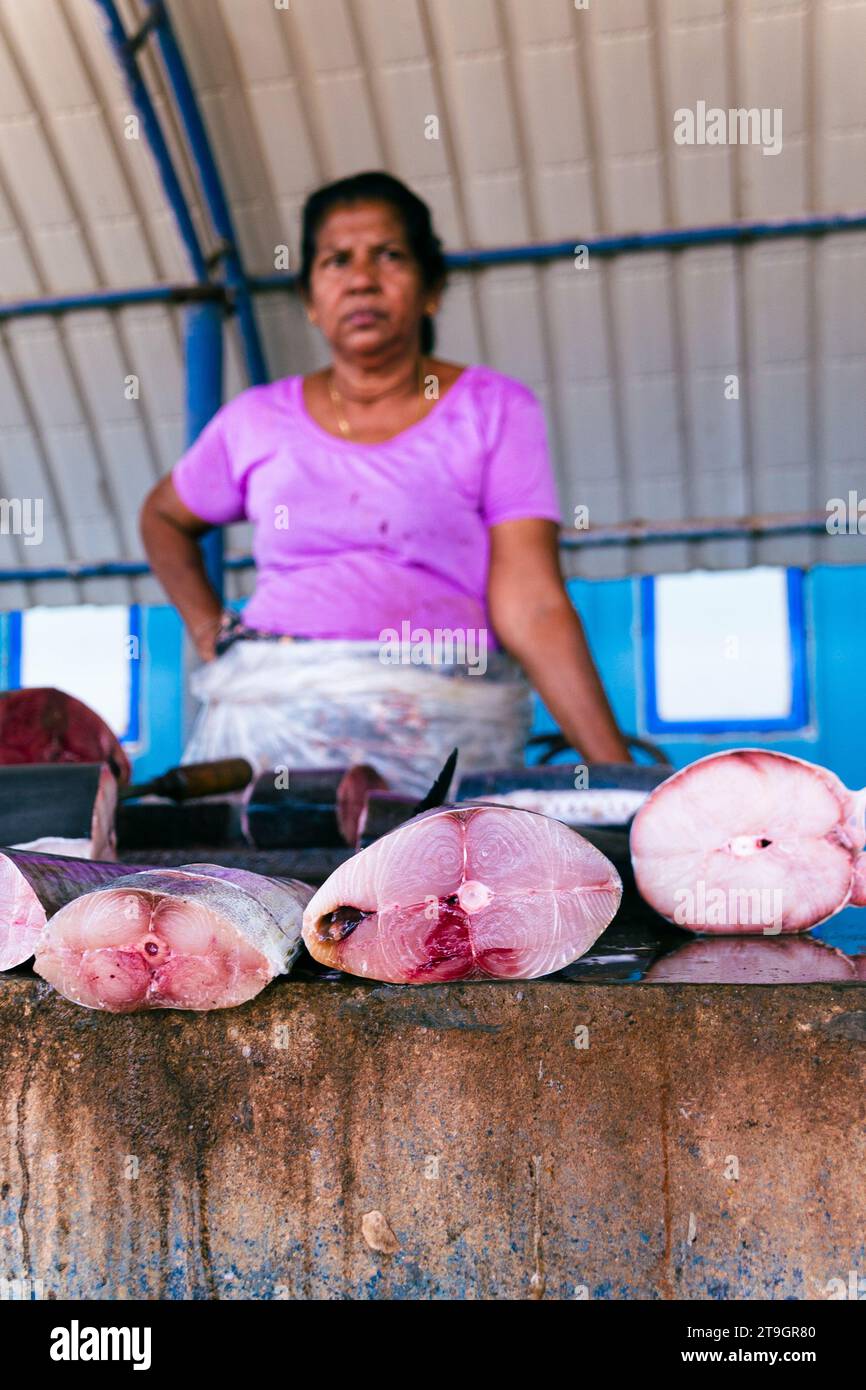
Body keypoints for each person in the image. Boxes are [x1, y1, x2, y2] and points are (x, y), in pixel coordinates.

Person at [140, 171, 631, 795]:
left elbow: (532, 604)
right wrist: (208, 628)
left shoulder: (494, 409)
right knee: (262, 891)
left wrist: (624, 779)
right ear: (312, 301)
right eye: (337, 260)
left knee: (435, 891)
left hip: (441, 726)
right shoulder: (256, 419)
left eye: (390, 256)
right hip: (268, 736)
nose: (362, 278)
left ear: (431, 289)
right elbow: (163, 517)